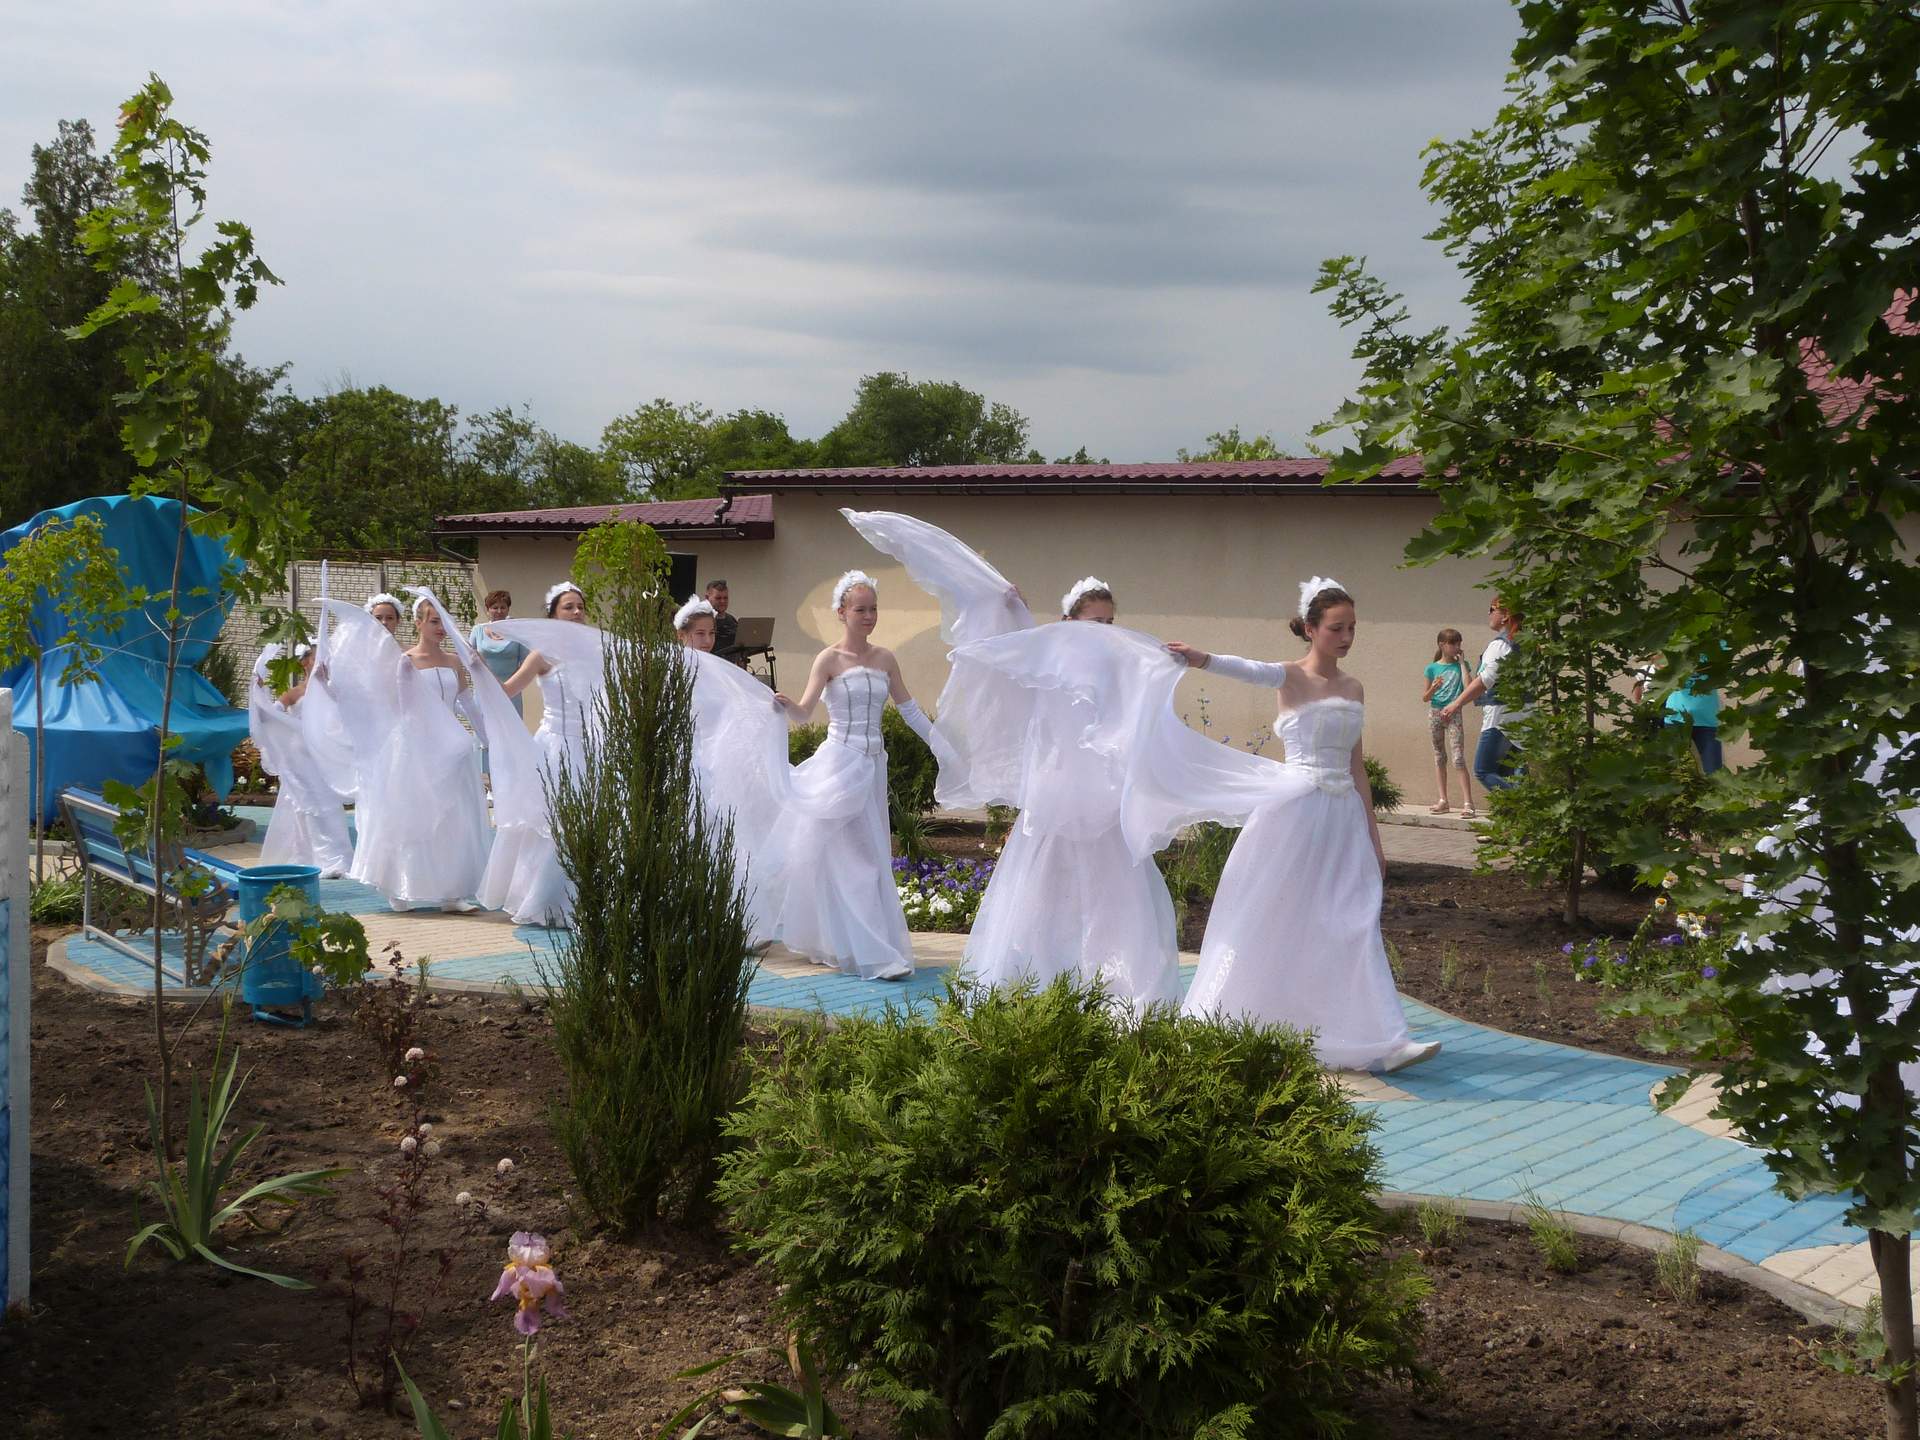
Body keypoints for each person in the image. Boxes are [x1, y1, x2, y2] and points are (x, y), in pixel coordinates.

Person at [1166, 578, 1440, 1073]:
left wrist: (1375, 839)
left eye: (1352, 627)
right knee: (1274, 917)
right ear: (1310, 629)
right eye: (1337, 628)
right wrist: (1201, 658)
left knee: (1353, 920)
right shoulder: (1289, 677)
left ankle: (1383, 1040)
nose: (1347, 637)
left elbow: (1357, 766)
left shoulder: (1354, 687)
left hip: (1343, 819)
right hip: (1293, 815)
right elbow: (1247, 669)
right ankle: (1232, 1021)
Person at [954, 573, 1181, 1016]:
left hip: (1103, 795)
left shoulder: (1117, 670)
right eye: (1095, 623)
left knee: (1112, 891)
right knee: (1044, 891)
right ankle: (1038, 977)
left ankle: (1113, 981)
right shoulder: (1049, 663)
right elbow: (1011, 653)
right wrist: (1010, 609)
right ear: (1069, 622)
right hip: (1057, 795)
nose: (1106, 633)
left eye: (1110, 623)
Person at [757, 570, 944, 980]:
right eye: (861, 609)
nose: (869, 616)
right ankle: (872, 953)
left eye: (873, 609)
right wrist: (784, 706)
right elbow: (805, 712)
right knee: (849, 860)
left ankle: (849, 943)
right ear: (842, 612)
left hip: (873, 768)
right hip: (839, 767)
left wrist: (941, 743)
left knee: (871, 857)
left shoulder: (886, 658)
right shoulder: (828, 659)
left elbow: (909, 709)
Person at [316, 589, 496, 913]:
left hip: (453, 751)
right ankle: (400, 887)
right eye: (434, 621)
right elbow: (381, 706)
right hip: (415, 750)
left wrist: (491, 738)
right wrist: (329, 688)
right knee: (412, 820)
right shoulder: (405, 662)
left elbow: (468, 704)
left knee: (454, 821)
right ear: (418, 623)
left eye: (444, 622)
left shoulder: (455, 662)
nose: (440, 628)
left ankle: (452, 893)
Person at [477, 581, 598, 927]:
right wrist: (479, 671)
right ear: (553, 614)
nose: (576, 612)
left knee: (586, 823)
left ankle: (579, 899)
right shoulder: (542, 654)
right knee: (550, 823)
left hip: (590, 748)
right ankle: (542, 899)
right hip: (555, 747)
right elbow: (508, 690)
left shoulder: (594, 651)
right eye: (568, 607)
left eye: (580, 606)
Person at [248, 642, 353, 877]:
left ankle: (335, 857)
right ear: (304, 662)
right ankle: (311, 856)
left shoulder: (335, 691)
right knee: (308, 804)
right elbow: (269, 715)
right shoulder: (295, 693)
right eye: (317, 657)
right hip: (300, 757)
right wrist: (259, 692)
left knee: (328, 804)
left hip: (324, 756)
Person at [1439, 595, 1525, 794]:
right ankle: (1517, 809)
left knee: (1484, 770)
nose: (1488, 613)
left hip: (1501, 715)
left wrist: (1456, 703)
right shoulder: (1526, 643)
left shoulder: (1500, 645)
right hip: (1524, 713)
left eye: (1492, 609)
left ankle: (1523, 806)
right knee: (1508, 772)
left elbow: (1484, 681)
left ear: (1505, 615)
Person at [1422, 628, 1475, 816]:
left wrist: (1462, 664)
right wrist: (1434, 687)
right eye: (1453, 643)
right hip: (1435, 713)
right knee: (1439, 756)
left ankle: (1468, 803)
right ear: (1442, 645)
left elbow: (1469, 688)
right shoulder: (1431, 668)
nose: (1457, 647)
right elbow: (1425, 697)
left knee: (1458, 757)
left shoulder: (1462, 665)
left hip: (1454, 713)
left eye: (1459, 643)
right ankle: (1443, 800)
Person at [470, 589, 531, 717]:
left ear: (508, 609)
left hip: (511, 692)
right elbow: (469, 658)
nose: (499, 611)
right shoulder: (477, 630)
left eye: (503, 607)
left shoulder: (518, 633)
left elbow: (526, 663)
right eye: (494, 607)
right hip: (484, 691)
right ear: (488, 609)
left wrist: (512, 683)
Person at [705, 579, 742, 664]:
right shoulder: (701, 621)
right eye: (718, 598)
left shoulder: (732, 620)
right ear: (707, 598)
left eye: (725, 598)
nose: (722, 601)